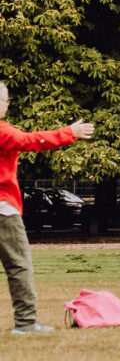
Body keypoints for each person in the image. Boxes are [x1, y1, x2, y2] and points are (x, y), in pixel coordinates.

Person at [0, 83, 96, 336]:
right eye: (6, 100)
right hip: (3, 209)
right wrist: (70, 132)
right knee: (19, 265)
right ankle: (26, 322)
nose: (7, 105)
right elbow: (29, 141)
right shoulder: (2, 131)